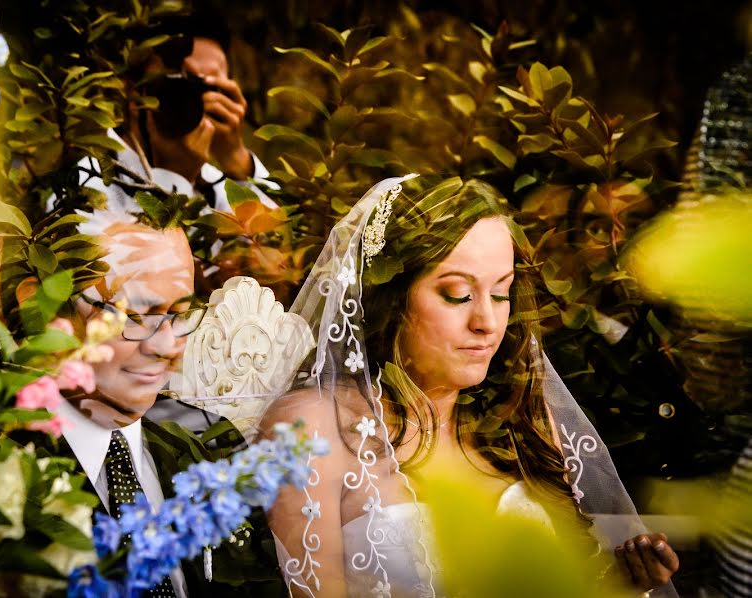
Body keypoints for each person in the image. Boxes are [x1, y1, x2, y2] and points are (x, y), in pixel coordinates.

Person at [257, 175, 681, 597]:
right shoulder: (311, 428)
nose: (487, 323)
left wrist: (617, 586)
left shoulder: (519, 421)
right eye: (457, 294)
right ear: (391, 298)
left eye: (501, 294)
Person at [50, 207, 283, 597]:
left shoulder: (216, 446)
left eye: (179, 314)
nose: (165, 346)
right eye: (135, 314)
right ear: (56, 309)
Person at [70, 12, 276, 217]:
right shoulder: (85, 183)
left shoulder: (218, 187)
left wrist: (237, 159)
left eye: (204, 86)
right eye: (175, 84)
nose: (188, 98)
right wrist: (174, 176)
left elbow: (278, 243)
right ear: (131, 90)